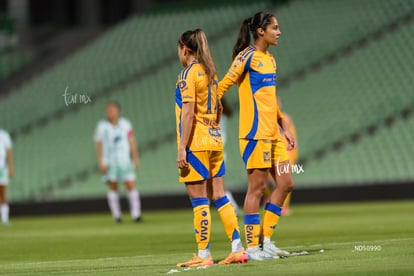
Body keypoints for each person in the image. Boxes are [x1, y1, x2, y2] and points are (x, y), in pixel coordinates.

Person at [218, 12, 296, 260]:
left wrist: (283, 122)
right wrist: (211, 110)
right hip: (254, 135)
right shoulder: (246, 57)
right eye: (275, 27)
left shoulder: (271, 60)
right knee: (257, 188)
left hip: (274, 135)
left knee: (285, 184)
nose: (279, 32)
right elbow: (223, 84)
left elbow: (269, 99)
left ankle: (267, 241)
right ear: (260, 31)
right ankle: (251, 249)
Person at [174, 29, 247, 267]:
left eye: (179, 50)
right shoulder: (211, 73)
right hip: (215, 140)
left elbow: (187, 112)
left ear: (185, 49)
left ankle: (204, 255)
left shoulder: (188, 74)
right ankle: (237, 248)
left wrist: (182, 147)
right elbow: (219, 109)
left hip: (196, 143)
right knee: (219, 194)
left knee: (198, 200)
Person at [94, 101, 142, 223]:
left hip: (124, 160)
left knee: (130, 185)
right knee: (113, 187)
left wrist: (135, 159)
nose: (110, 112)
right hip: (110, 162)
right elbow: (98, 144)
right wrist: (101, 161)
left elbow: (132, 141)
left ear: (118, 111)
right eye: (108, 110)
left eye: (113, 109)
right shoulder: (101, 126)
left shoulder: (125, 124)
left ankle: (136, 214)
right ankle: (117, 216)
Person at [263, 97, 298, 215]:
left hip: (284, 152)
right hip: (270, 150)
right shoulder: (266, 119)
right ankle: (269, 201)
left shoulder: (285, 118)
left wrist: (294, 153)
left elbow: (292, 136)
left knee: (284, 181)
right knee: (268, 180)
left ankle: (283, 206)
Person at [219, 98, 240, 214]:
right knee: (212, 185)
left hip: (212, 152)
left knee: (215, 185)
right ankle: (232, 207)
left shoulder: (213, 116)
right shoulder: (224, 115)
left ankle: (232, 208)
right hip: (220, 152)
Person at [0, 128, 13, 225]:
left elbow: (9, 151)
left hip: (2, 168)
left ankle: (5, 219)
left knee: (3, 194)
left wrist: (11, 167)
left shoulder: (4, 134)